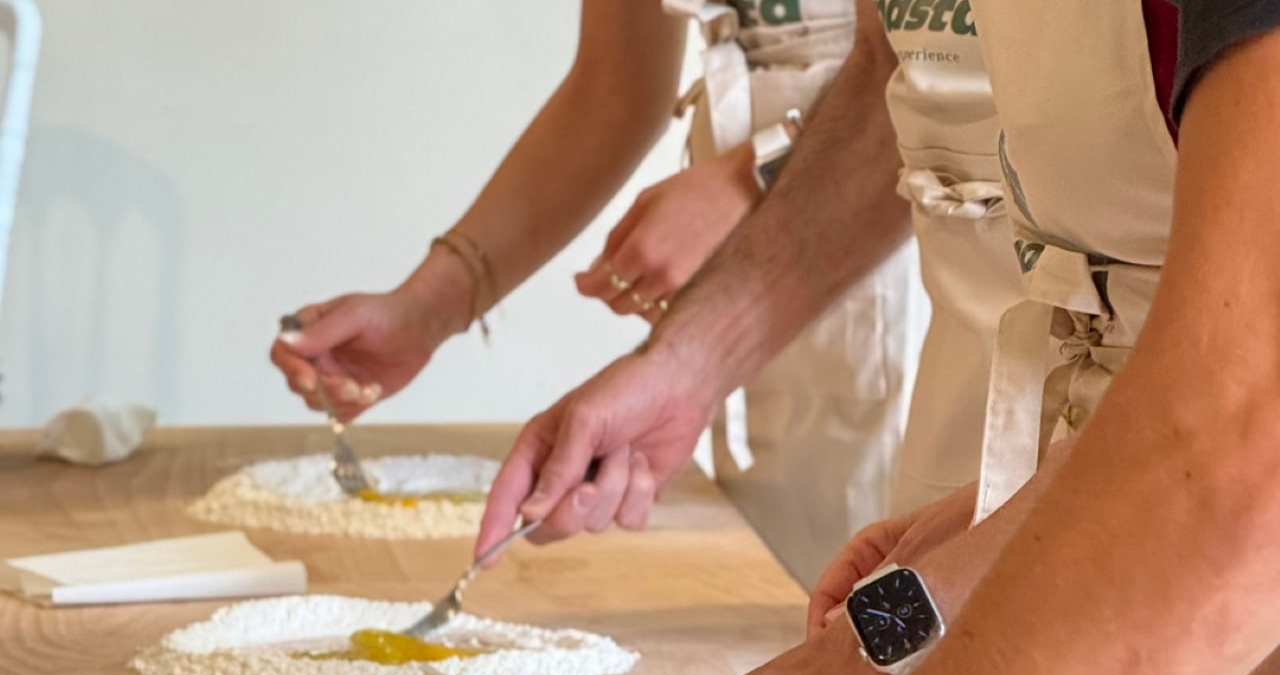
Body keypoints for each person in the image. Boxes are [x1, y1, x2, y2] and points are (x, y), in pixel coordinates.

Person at [476, 0, 1280, 675]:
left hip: (1174, 547)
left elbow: (1232, 448)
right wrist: (685, 367)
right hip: (1064, 468)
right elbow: (896, 74)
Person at [270, 0, 924, 591]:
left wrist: (757, 172)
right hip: (756, 282)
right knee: (802, 601)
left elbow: (935, 66)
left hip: (916, 223)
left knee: (904, 593)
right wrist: (430, 305)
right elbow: (615, 85)